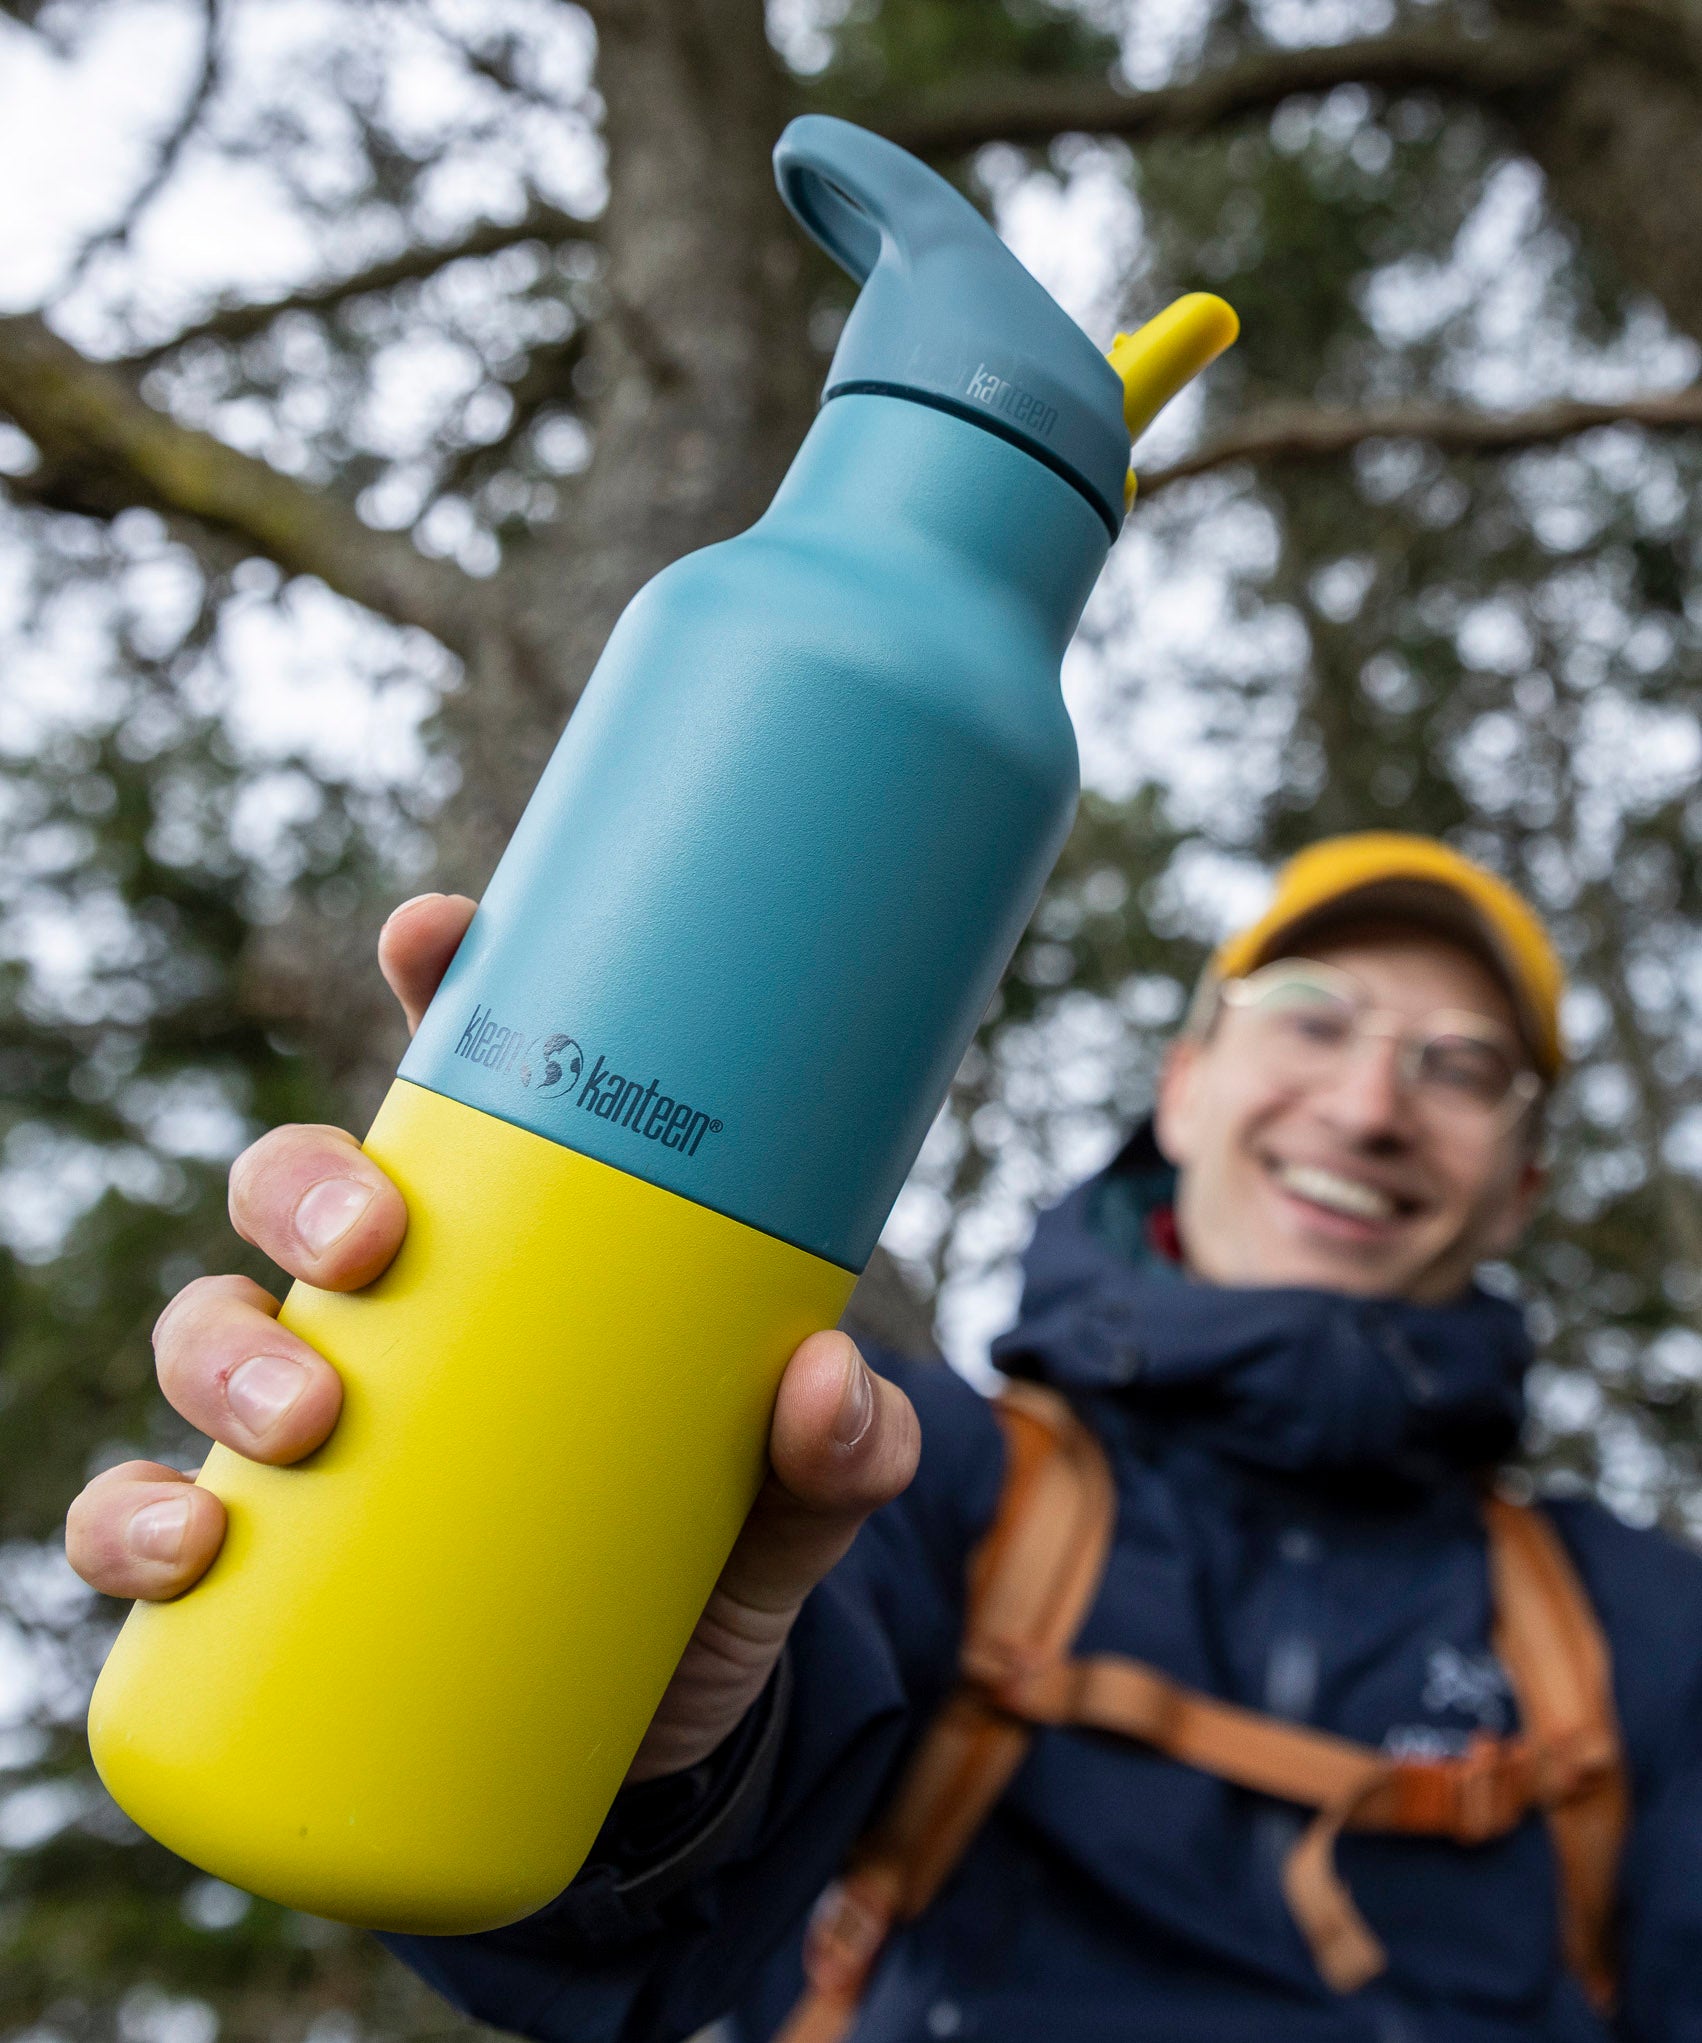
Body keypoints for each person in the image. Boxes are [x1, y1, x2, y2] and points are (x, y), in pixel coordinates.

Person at [65, 832, 1702, 2043]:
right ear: (1185, 1082)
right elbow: (623, 1932)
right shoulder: (909, 1468)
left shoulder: (1642, 1630)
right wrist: (592, 1711)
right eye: (1313, 1019)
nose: (1365, 1104)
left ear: (1519, 1184)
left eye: (1457, 1068)